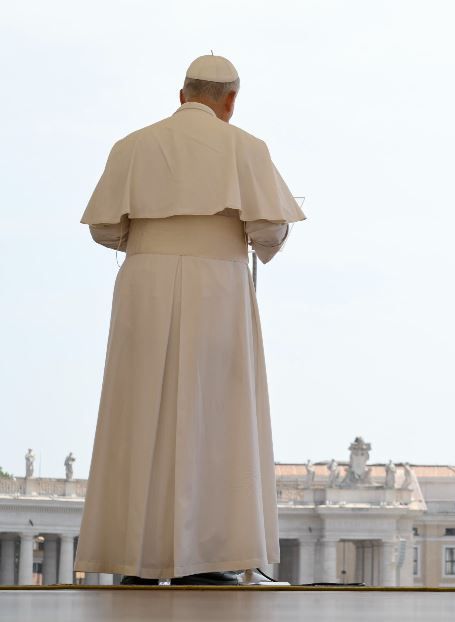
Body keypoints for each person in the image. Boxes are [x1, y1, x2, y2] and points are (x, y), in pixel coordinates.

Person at [74, 54, 305, 586]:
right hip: (217, 285)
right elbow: (270, 229)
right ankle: (209, 558)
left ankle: (137, 557)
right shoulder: (246, 147)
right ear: (230, 102)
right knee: (216, 416)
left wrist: (152, 241)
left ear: (181, 95)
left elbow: (104, 229)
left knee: (137, 413)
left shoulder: (130, 146)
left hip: (145, 285)